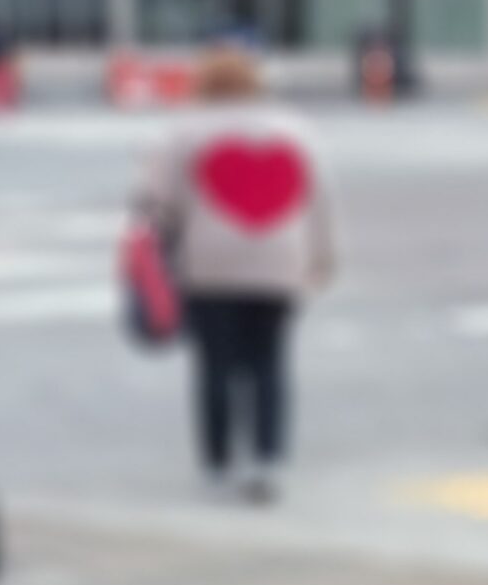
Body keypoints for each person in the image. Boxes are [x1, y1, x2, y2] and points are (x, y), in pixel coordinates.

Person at [137, 39, 338, 502]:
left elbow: (158, 204)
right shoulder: (295, 130)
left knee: (215, 365)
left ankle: (217, 462)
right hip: (281, 264)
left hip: (208, 267)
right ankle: (266, 459)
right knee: (270, 361)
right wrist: (322, 260)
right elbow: (320, 202)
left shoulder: (183, 132)